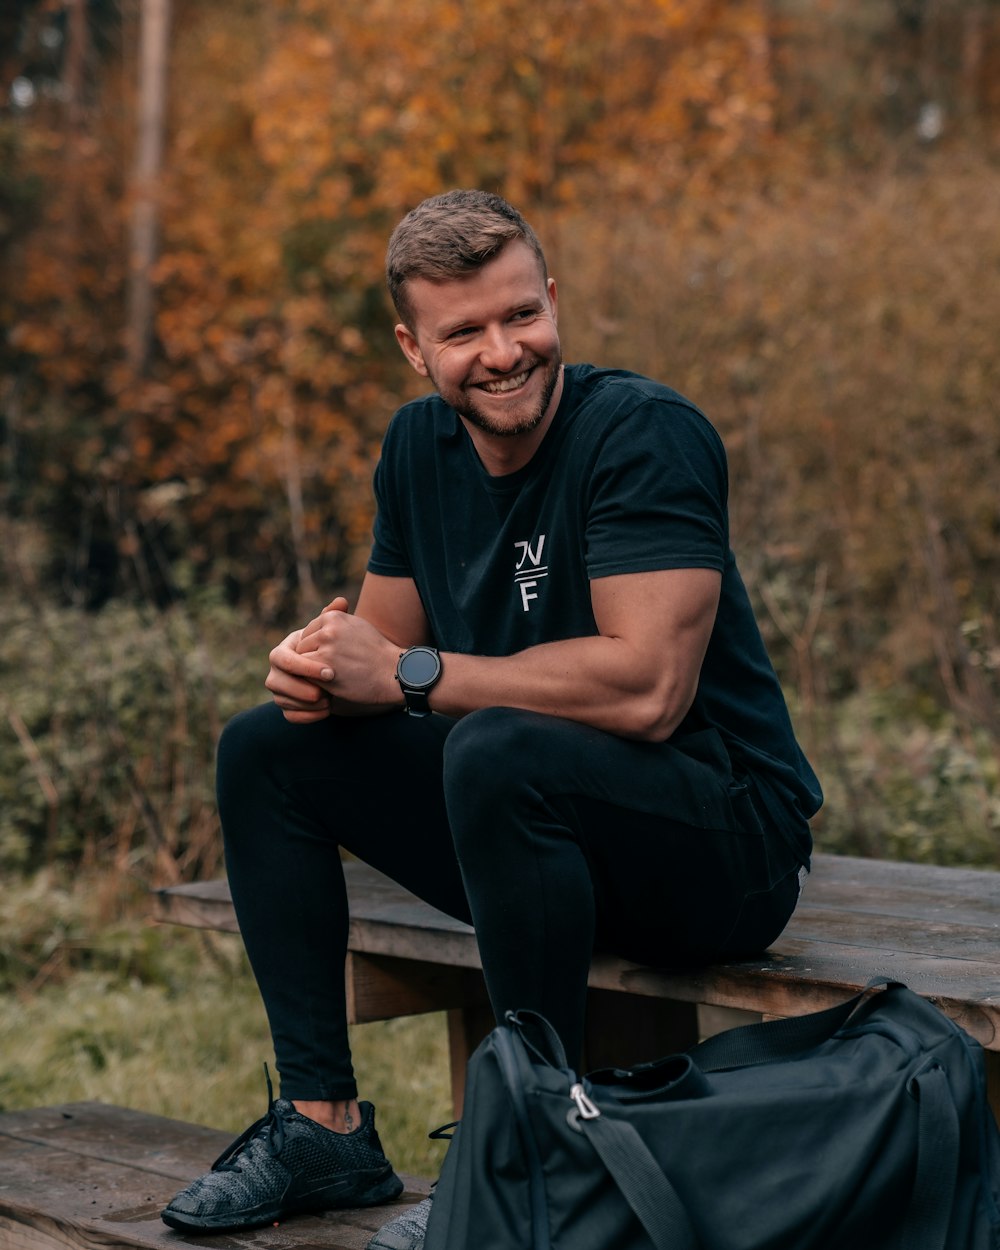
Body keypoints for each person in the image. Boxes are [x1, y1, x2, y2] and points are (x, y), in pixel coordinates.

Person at [160, 189, 822, 1246]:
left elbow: (647, 690)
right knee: (267, 747)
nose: (502, 351)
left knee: (496, 743)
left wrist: (411, 673)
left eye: (520, 315)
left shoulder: (644, 434)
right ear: (414, 348)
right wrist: (314, 669)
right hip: (533, 832)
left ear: (553, 299)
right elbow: (375, 674)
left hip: (722, 844)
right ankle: (323, 1123)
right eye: (463, 330)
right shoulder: (419, 450)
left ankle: (532, 1153)